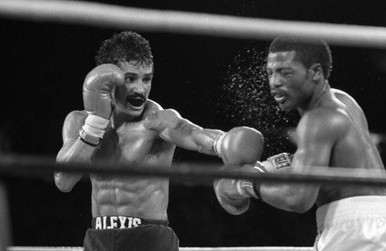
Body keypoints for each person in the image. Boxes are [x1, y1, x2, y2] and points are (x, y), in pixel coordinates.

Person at [54, 31, 264, 251]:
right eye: (130, 78)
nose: (140, 90)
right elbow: (63, 181)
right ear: (106, 81)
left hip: (149, 239)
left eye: (147, 79)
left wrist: (224, 143)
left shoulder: (156, 119)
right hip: (100, 238)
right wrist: (95, 123)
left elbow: (193, 134)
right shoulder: (78, 121)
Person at [214, 37, 386, 250]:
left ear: (315, 72)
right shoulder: (344, 101)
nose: (275, 82)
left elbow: (298, 198)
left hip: (357, 232)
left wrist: (246, 181)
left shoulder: (316, 120)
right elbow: (333, 162)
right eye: (270, 73)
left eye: (285, 72)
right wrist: (269, 166)